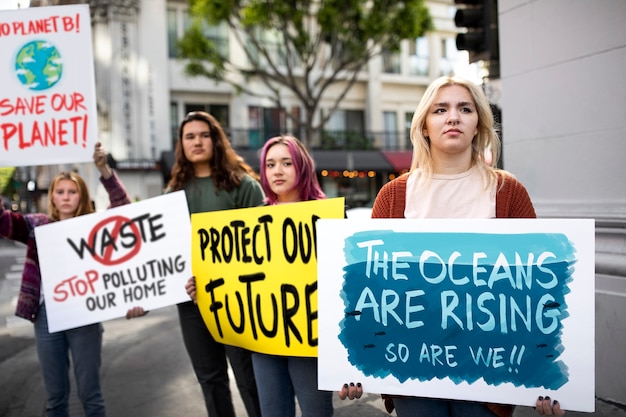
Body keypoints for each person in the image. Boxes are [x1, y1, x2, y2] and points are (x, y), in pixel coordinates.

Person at [339, 75, 565, 417]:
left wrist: (548, 377)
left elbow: (538, 293)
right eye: (440, 109)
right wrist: (351, 364)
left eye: (465, 108)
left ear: (479, 125)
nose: (453, 117)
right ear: (425, 126)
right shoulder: (393, 197)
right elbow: (369, 291)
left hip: (489, 374)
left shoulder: (509, 193)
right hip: (411, 371)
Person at [186, 134, 335, 417]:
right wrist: (204, 289)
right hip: (264, 342)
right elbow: (235, 277)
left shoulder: (327, 216)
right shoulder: (251, 219)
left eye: (286, 163)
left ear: (302, 166)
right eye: (270, 164)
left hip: (310, 342)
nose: (277, 170)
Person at [0, 142, 131, 417]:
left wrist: (104, 170)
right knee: (55, 397)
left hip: (84, 313)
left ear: (81, 196)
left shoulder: (93, 226)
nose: (66, 197)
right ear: (53, 198)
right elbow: (4, 222)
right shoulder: (37, 225)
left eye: (72, 192)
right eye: (60, 192)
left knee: (90, 394)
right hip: (47, 317)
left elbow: (123, 210)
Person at [167, 111, 263, 417]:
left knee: (249, 380)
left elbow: (263, 245)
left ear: (216, 140)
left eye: (204, 135)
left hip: (237, 301)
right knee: (210, 380)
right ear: (181, 144)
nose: (197, 141)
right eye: (189, 136)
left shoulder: (243, 185)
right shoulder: (172, 196)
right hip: (192, 303)